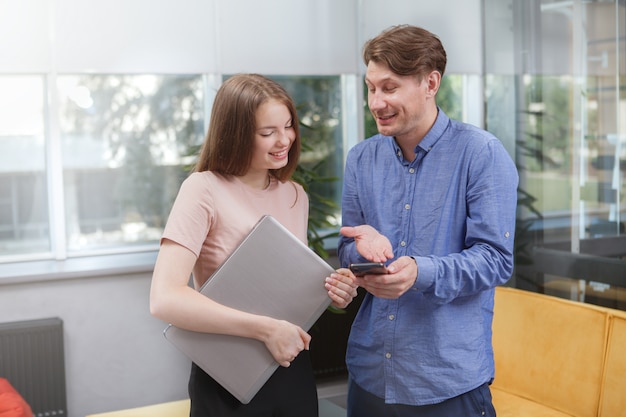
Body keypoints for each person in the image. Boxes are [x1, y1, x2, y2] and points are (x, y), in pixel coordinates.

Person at [150, 73, 358, 417]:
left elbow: (284, 287)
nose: (284, 140)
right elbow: (164, 299)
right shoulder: (202, 189)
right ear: (235, 134)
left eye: (288, 126)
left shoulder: (295, 196)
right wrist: (265, 329)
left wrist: (334, 289)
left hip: (291, 366)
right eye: (267, 133)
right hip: (228, 373)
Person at [337, 25, 519, 417]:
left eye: (389, 87)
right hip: (370, 374)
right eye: (371, 88)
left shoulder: (481, 154)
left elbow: (496, 259)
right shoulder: (361, 159)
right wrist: (358, 249)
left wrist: (420, 271)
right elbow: (347, 247)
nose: (376, 101)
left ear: (430, 82)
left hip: (446, 381)